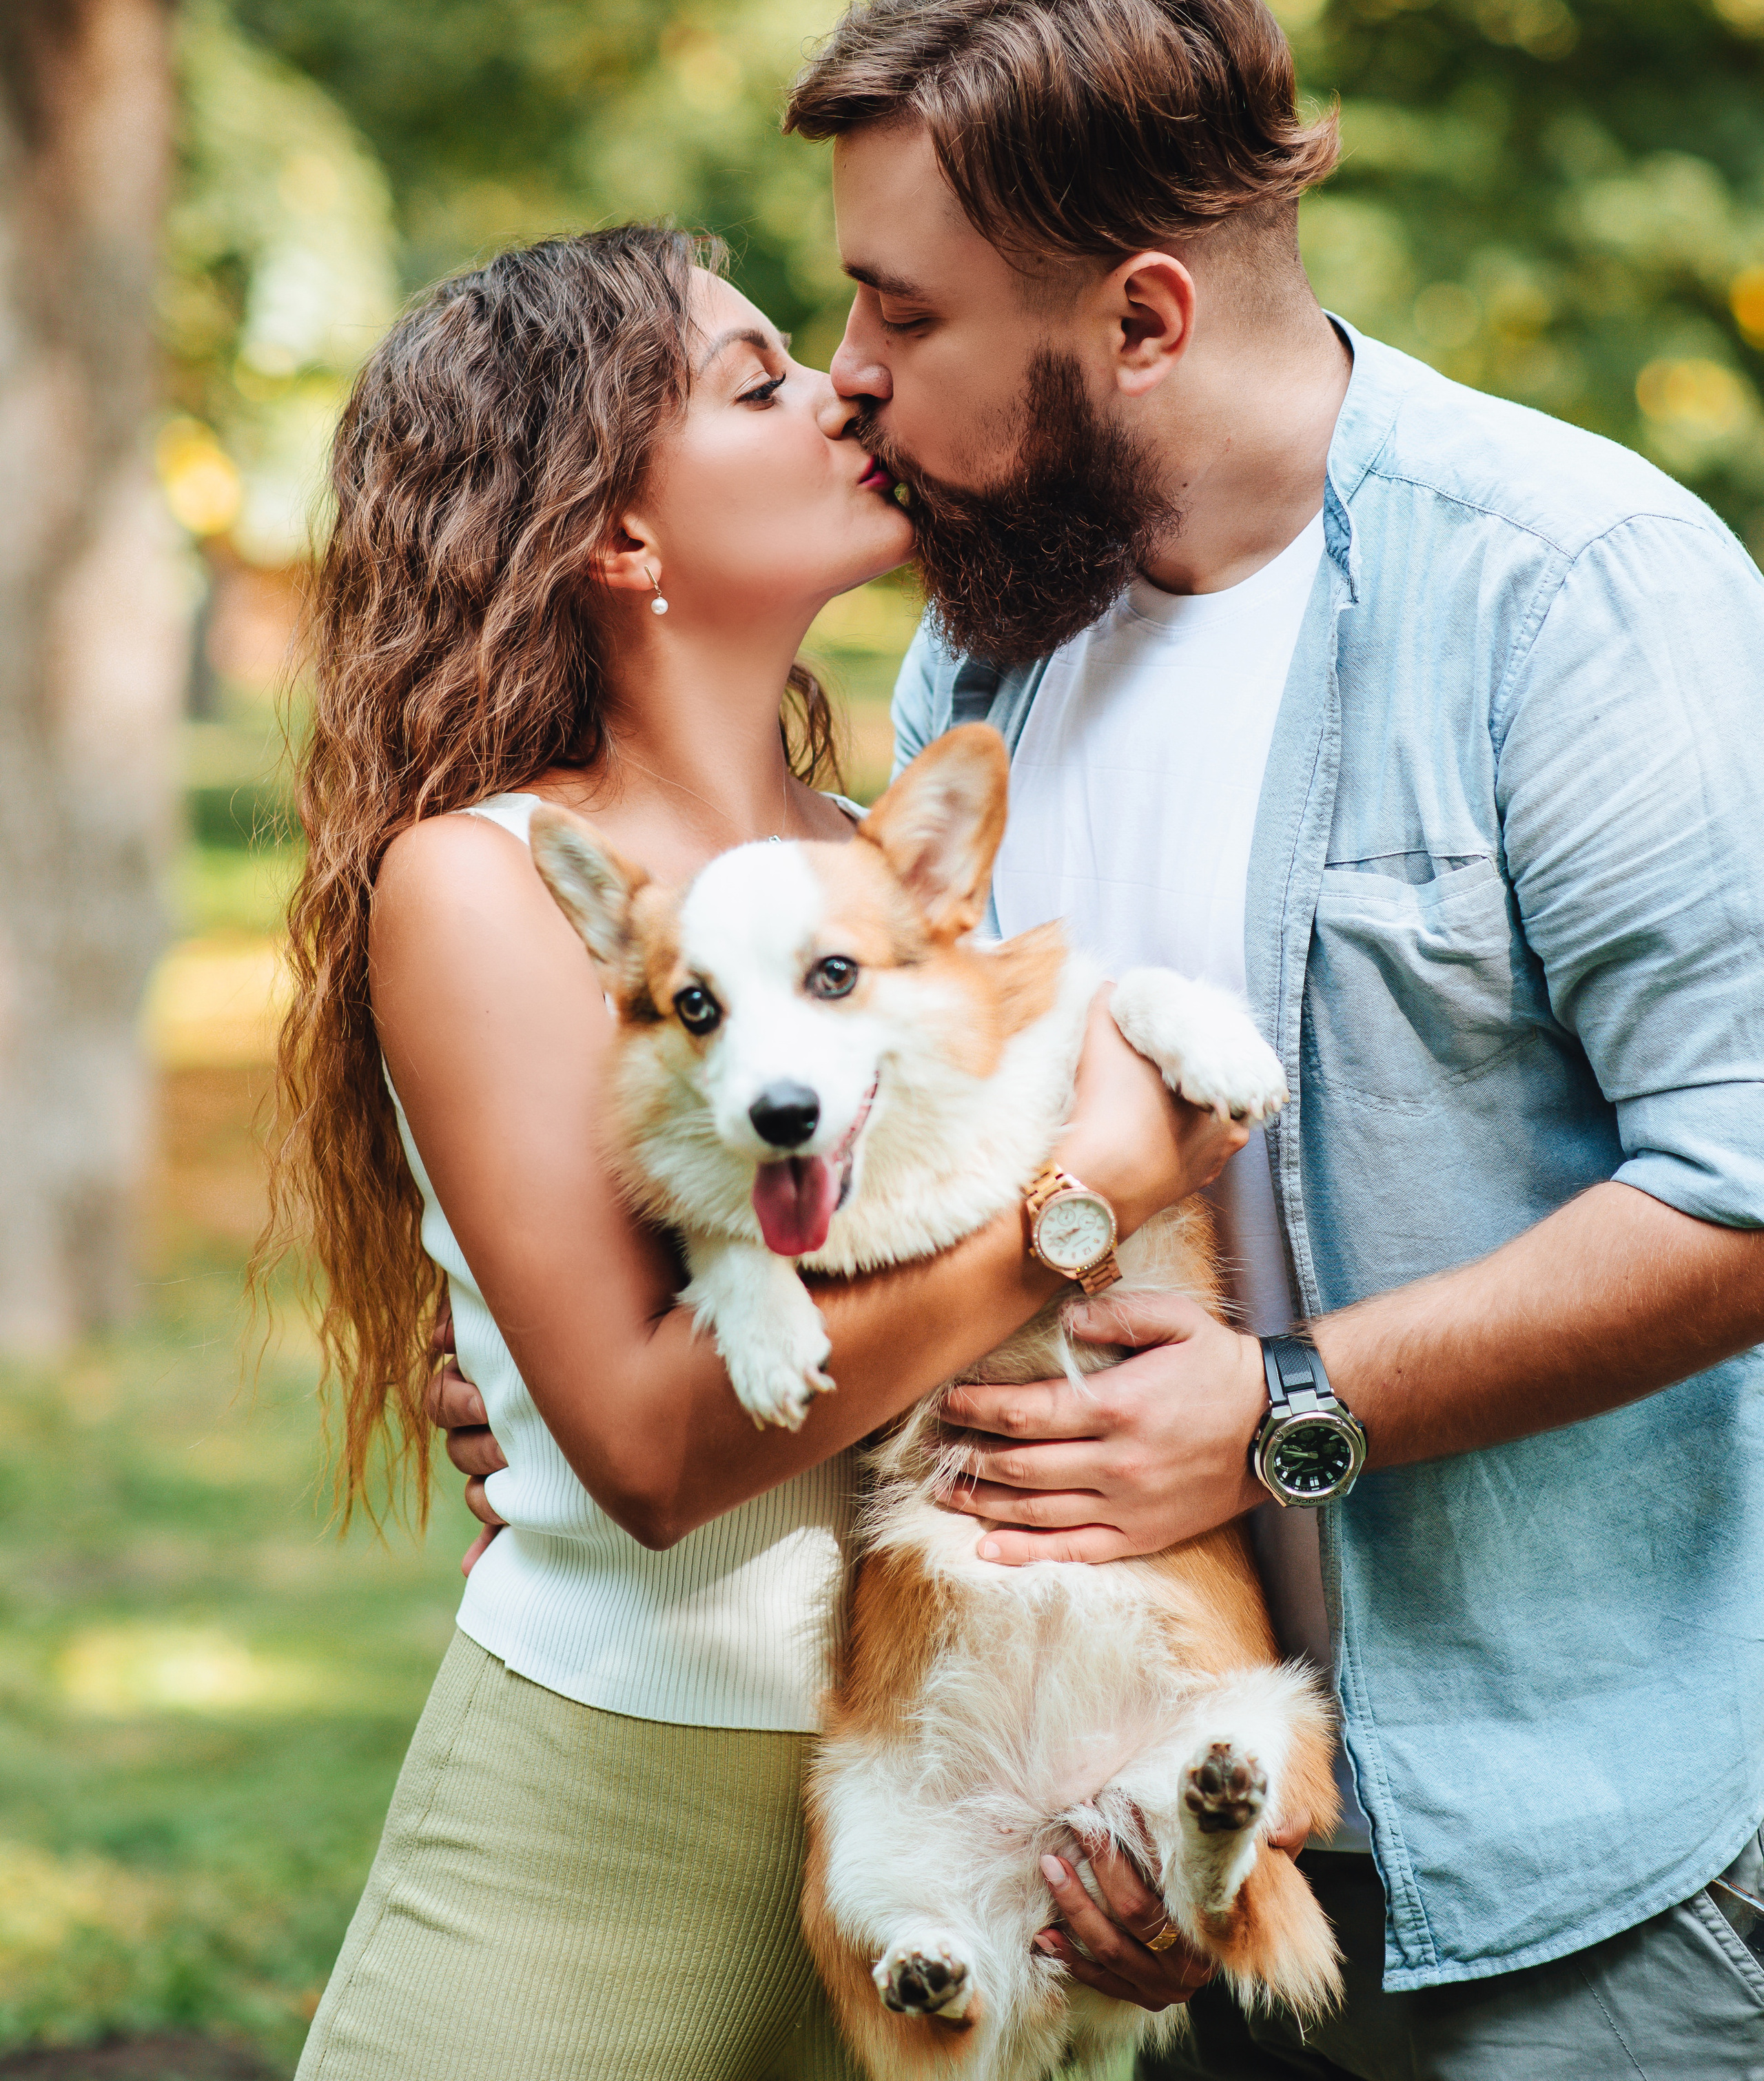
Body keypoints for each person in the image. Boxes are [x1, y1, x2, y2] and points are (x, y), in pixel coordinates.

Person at [768, 0, 1764, 2078]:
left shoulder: (1570, 593)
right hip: (1195, 1854)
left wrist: (1292, 1405)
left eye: (902, 309)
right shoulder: (991, 657)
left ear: (1141, 317)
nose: (845, 368)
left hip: (1607, 1853)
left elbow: (1749, 1181)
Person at [268, 223, 1233, 2081]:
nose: (846, 388)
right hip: (614, 1815)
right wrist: (1077, 1195)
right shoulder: (485, 884)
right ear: (618, 539)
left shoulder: (891, 853)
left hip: (939, 1793)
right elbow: (645, 1451)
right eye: (761, 378)